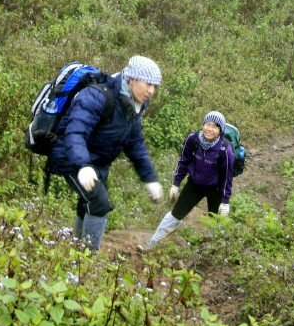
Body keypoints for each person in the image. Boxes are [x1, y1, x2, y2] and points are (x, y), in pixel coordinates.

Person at [47, 55, 164, 250]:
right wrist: (83, 165)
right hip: (70, 156)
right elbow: (75, 132)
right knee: (99, 203)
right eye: (148, 84)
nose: (152, 91)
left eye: (155, 86)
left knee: (88, 203)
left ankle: (76, 251)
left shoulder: (133, 106)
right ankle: (87, 259)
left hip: (97, 162)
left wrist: (150, 179)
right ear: (132, 79)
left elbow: (135, 145)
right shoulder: (97, 96)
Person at [137, 111, 234, 251]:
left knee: (216, 222)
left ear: (220, 130)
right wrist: (175, 184)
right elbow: (183, 161)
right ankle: (152, 243)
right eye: (208, 124)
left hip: (216, 189)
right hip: (194, 184)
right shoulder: (193, 139)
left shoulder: (225, 149)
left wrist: (225, 202)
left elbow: (227, 177)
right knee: (175, 214)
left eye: (215, 126)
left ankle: (216, 252)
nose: (210, 129)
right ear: (203, 125)